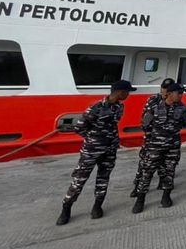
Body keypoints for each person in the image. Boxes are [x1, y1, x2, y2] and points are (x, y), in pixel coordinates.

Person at [56, 80, 134, 225]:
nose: (128, 95)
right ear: (119, 92)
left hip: (109, 149)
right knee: (79, 180)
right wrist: (94, 139)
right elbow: (79, 127)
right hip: (92, 150)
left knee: (103, 178)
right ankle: (66, 208)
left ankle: (97, 206)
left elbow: (113, 126)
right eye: (127, 92)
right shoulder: (96, 107)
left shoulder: (119, 107)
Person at [132, 83, 186, 213]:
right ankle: (140, 200)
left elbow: (184, 122)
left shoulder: (183, 108)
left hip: (172, 146)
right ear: (169, 93)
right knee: (147, 173)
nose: (181, 95)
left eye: (182, 93)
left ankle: (166, 196)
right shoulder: (154, 107)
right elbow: (145, 125)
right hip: (154, 146)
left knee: (169, 172)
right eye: (178, 93)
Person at [130, 77, 173, 197]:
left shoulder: (176, 102)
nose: (165, 91)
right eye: (164, 88)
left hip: (167, 141)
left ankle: (162, 182)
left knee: (165, 165)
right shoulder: (153, 100)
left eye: (168, 89)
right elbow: (145, 121)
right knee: (144, 164)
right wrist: (150, 135)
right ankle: (137, 187)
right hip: (151, 140)